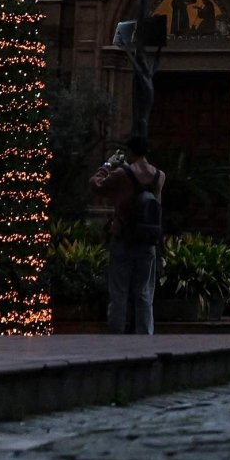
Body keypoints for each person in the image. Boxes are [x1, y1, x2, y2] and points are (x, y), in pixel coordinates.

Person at [92, 134, 166, 334]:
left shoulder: (122, 174)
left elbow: (96, 184)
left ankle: (116, 337)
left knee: (119, 292)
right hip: (148, 241)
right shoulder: (160, 176)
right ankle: (145, 338)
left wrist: (107, 165)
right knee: (144, 293)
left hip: (123, 238)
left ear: (130, 152)